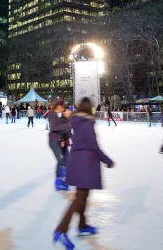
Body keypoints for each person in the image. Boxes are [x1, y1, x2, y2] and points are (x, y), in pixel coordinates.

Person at [53, 97, 114, 249]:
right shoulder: (87, 124)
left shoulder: (76, 120)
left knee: (83, 196)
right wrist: (107, 160)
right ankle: (61, 230)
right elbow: (94, 147)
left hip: (77, 162)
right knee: (79, 198)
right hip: (85, 164)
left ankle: (82, 225)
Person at [49, 100, 71, 191]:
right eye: (63, 106)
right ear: (59, 106)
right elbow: (54, 128)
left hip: (58, 140)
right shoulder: (54, 115)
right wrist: (67, 126)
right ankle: (59, 181)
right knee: (61, 160)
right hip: (54, 141)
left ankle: (60, 180)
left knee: (62, 160)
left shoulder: (57, 115)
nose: (64, 108)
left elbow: (60, 129)